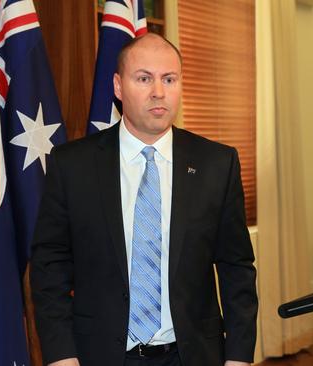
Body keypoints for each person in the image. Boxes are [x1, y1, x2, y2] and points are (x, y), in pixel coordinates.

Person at [31, 33, 258, 366]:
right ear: (119, 87)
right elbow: (49, 266)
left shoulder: (216, 163)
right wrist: (61, 356)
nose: (158, 92)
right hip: (101, 356)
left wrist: (239, 357)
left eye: (169, 79)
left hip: (193, 355)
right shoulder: (72, 165)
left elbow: (236, 267)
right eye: (144, 79)